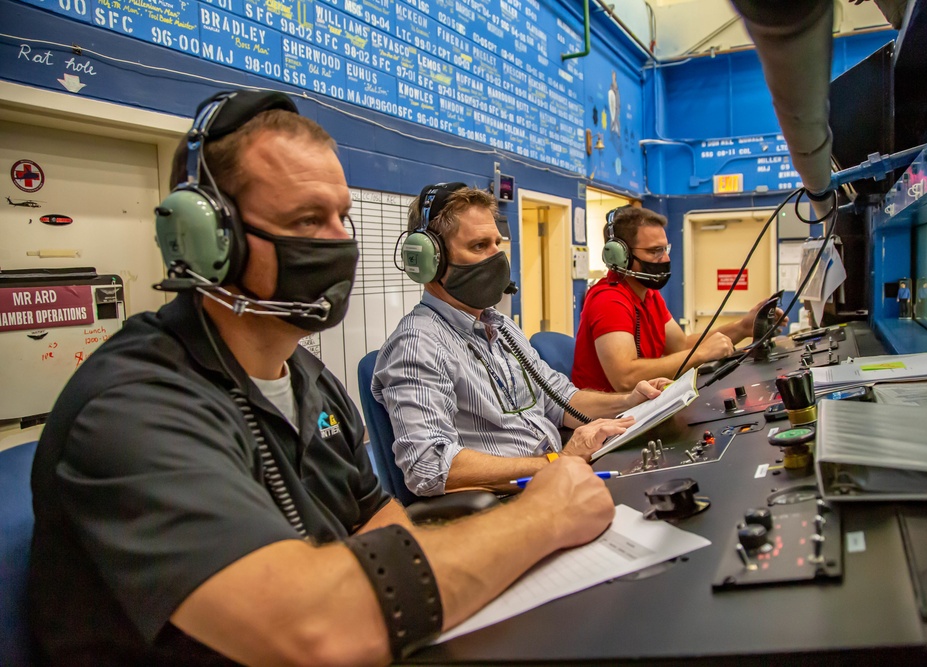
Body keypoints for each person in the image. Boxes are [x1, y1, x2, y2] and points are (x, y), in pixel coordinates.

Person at [27, 90, 617, 667]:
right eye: (308, 219)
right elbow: (307, 628)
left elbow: (379, 523)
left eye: (343, 217)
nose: (340, 242)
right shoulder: (134, 406)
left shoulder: (310, 379)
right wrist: (543, 514)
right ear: (209, 242)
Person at [372, 183, 669, 498]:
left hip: (555, 480)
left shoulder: (500, 327)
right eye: (478, 246)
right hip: (508, 505)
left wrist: (628, 402)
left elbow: (560, 399)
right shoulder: (418, 344)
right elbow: (428, 466)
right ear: (430, 259)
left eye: (496, 243)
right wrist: (558, 462)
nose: (496, 257)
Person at [572, 205, 781, 392]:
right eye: (655, 251)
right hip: (605, 422)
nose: (665, 259)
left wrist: (743, 327)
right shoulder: (609, 300)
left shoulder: (649, 295)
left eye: (665, 249)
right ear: (620, 255)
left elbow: (681, 346)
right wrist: (700, 354)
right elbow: (625, 379)